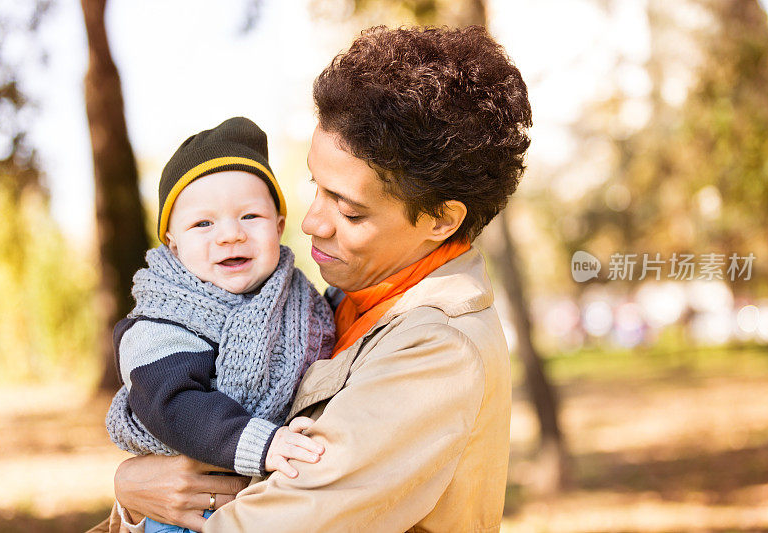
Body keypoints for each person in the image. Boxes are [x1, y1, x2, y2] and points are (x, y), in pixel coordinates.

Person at [90, 24, 532, 533]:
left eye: (349, 211)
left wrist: (144, 489)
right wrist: (131, 496)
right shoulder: (338, 300)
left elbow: (272, 519)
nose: (310, 223)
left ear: (440, 220)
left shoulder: (437, 351)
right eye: (314, 186)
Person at [103, 117, 335, 533]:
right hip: (183, 510)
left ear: (279, 227)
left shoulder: (304, 305)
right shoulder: (159, 323)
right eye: (202, 223)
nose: (230, 235)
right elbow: (172, 404)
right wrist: (261, 442)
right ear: (172, 244)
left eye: (250, 216)